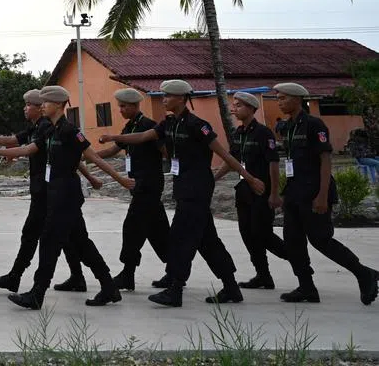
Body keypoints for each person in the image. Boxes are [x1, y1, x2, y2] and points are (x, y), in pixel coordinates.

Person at [102, 79, 264, 307]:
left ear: (180, 98)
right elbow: (142, 137)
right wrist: (114, 138)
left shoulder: (198, 125)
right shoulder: (168, 123)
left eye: (167, 96)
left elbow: (225, 155)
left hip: (197, 188)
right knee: (207, 240)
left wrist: (249, 178)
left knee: (180, 238)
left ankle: (175, 289)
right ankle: (231, 287)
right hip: (184, 188)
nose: (164, 99)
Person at [0, 86, 134, 310]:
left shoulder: (70, 131)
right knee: (82, 244)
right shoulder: (51, 130)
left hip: (66, 195)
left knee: (49, 242)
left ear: (59, 105)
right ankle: (109, 287)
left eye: (46, 103)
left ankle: (37, 294)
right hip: (54, 194)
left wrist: (120, 179)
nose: (42, 106)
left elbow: (93, 158)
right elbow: (30, 149)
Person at [0, 89, 94, 294]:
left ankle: (22, 280)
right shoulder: (38, 127)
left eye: (29, 104)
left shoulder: (49, 127)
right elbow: (13, 140)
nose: (25, 108)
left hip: (50, 192)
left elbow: (69, 156)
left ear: (41, 107)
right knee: (68, 237)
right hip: (46, 190)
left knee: (43, 235)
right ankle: (77, 277)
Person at [274, 82, 378, 305]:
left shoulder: (314, 124)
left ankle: (363, 273)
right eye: (278, 98)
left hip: (313, 191)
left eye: (283, 98)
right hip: (293, 191)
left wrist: (322, 196)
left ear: (297, 99)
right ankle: (306, 287)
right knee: (292, 242)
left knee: (321, 239)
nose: (279, 102)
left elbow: (325, 160)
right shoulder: (288, 127)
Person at [90, 87, 170, 291]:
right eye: (120, 106)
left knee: (132, 228)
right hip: (139, 185)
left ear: (135, 106)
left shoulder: (148, 126)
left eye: (124, 106)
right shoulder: (130, 127)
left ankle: (128, 274)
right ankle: (176, 270)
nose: (120, 110)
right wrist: (86, 156)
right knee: (157, 231)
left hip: (149, 185)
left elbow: (165, 151)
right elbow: (113, 150)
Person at [213, 91, 289, 291]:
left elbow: (273, 164)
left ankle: (297, 259)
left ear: (251, 109)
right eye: (234, 105)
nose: (234, 109)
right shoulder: (239, 134)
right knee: (247, 233)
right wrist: (213, 179)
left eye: (238, 105)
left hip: (261, 191)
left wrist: (274, 193)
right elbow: (231, 161)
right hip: (244, 190)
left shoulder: (263, 133)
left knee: (262, 234)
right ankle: (263, 276)